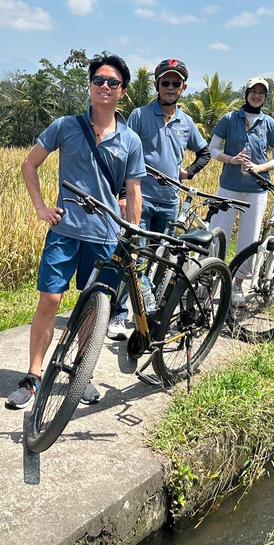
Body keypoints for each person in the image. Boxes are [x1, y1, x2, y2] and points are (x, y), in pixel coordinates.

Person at [5, 54, 144, 410]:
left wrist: (131, 233)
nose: (104, 87)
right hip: (65, 231)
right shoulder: (65, 126)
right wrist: (40, 207)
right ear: (90, 85)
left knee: (92, 308)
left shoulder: (130, 140)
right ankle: (34, 375)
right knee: (50, 299)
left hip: (105, 235)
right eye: (98, 80)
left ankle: (81, 374)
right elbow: (30, 164)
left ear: (123, 92)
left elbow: (133, 192)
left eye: (112, 82)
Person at [110, 59, 211, 340]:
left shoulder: (186, 122)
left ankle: (148, 311)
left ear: (183, 88)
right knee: (132, 257)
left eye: (175, 83)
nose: (169, 87)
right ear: (156, 85)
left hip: (169, 201)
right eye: (165, 82)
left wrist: (188, 172)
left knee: (160, 259)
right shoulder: (140, 116)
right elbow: (124, 153)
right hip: (140, 198)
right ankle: (118, 314)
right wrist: (122, 194)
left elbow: (205, 153)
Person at [208, 77, 274, 294]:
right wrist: (231, 159)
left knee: (249, 238)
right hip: (228, 186)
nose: (257, 95)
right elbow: (212, 149)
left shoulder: (270, 123)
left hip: (257, 189)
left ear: (266, 97)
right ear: (246, 92)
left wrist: (259, 168)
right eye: (253, 91)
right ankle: (211, 279)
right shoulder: (229, 119)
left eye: (262, 92)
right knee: (217, 233)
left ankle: (237, 285)